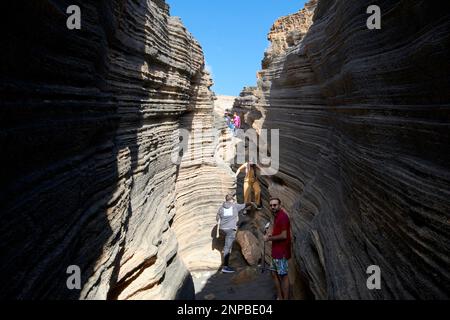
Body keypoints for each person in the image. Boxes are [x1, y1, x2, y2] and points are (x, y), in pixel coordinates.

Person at [216, 194, 256, 273]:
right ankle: (225, 267)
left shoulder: (221, 208)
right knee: (228, 247)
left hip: (222, 229)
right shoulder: (235, 206)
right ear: (232, 200)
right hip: (230, 229)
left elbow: (217, 218)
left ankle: (226, 253)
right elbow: (246, 204)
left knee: (227, 245)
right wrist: (252, 203)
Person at [264, 197, 291, 300]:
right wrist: (272, 233)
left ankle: (285, 298)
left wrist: (269, 238)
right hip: (276, 252)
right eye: (271, 205)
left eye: (275, 205)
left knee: (283, 276)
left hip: (281, 252)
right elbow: (280, 232)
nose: (272, 207)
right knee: (274, 273)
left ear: (280, 205)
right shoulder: (277, 216)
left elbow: (284, 235)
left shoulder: (283, 217)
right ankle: (280, 296)